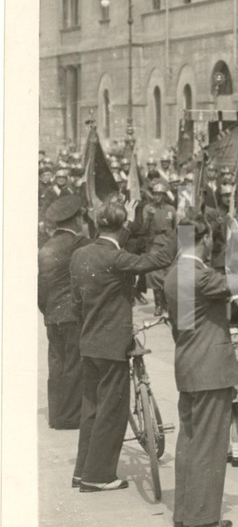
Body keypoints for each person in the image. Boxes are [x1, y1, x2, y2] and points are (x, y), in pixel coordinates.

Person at [69, 200, 177, 491]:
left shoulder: (80, 255)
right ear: (122, 227)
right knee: (112, 411)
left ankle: (82, 471)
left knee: (91, 409)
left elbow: (76, 302)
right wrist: (165, 226)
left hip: (89, 342)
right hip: (112, 345)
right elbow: (160, 259)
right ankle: (99, 476)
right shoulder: (116, 259)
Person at [163, 216, 238, 527]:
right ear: (205, 238)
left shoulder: (174, 273)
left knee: (190, 442)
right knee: (209, 445)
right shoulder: (199, 275)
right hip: (210, 368)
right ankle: (202, 516)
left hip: (189, 363)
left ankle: (185, 511)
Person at [38, 194, 88, 429]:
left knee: (56, 364)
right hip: (72, 314)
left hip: (52, 315)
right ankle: (70, 417)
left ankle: (57, 416)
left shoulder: (46, 247)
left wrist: (48, 310)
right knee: (73, 365)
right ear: (76, 219)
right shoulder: (77, 243)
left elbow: (41, 288)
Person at [143, 181, 177, 316]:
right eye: (155, 194)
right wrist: (150, 218)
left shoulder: (171, 209)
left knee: (168, 273)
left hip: (168, 243)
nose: (156, 197)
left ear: (164, 196)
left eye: (160, 194)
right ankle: (158, 304)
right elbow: (143, 229)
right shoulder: (148, 208)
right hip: (154, 243)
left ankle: (166, 303)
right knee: (154, 274)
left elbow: (175, 227)